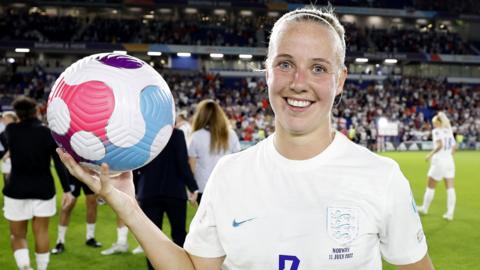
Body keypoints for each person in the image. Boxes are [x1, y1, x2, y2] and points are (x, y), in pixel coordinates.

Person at [57, 6, 434, 270]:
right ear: (266, 72)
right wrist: (128, 206)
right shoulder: (230, 174)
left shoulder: (379, 178)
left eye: (318, 68)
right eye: (285, 64)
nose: (298, 82)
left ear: (340, 80)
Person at [3, 96, 73, 270]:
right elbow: (59, 164)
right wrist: (66, 190)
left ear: (18, 114)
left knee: (18, 236)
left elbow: (7, 142)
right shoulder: (47, 132)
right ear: (36, 112)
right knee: (41, 232)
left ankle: (25, 267)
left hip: (16, 190)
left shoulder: (10, 130)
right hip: (44, 189)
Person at [135, 128, 199, 269]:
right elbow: (182, 163)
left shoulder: (145, 132)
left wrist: (136, 188)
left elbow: (136, 163)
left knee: (152, 238)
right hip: (173, 191)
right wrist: (192, 186)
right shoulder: (176, 134)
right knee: (179, 235)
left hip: (149, 191)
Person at [188, 99, 241, 203]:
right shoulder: (231, 134)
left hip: (203, 187)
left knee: (207, 219)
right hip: (225, 186)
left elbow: (192, 168)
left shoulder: (195, 136)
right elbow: (237, 162)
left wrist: (192, 189)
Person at [417, 112, 456, 220]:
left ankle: (424, 208)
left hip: (439, 161)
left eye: (434, 123)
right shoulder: (449, 131)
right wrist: (447, 155)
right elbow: (454, 148)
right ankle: (450, 213)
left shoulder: (436, 131)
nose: (434, 125)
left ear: (438, 123)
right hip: (449, 161)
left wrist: (429, 155)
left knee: (430, 186)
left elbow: (440, 145)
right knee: (450, 188)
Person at [51, 173, 102, 255]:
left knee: (92, 202)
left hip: (89, 173)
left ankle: (90, 237)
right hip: (73, 173)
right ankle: (60, 241)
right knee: (68, 205)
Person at [0, 111, 19, 185]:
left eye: (6, 118)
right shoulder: (3, 133)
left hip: (19, 158)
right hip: (7, 160)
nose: (3, 120)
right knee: (7, 182)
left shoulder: (19, 130)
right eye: (3, 118)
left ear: (12, 119)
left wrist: (9, 153)